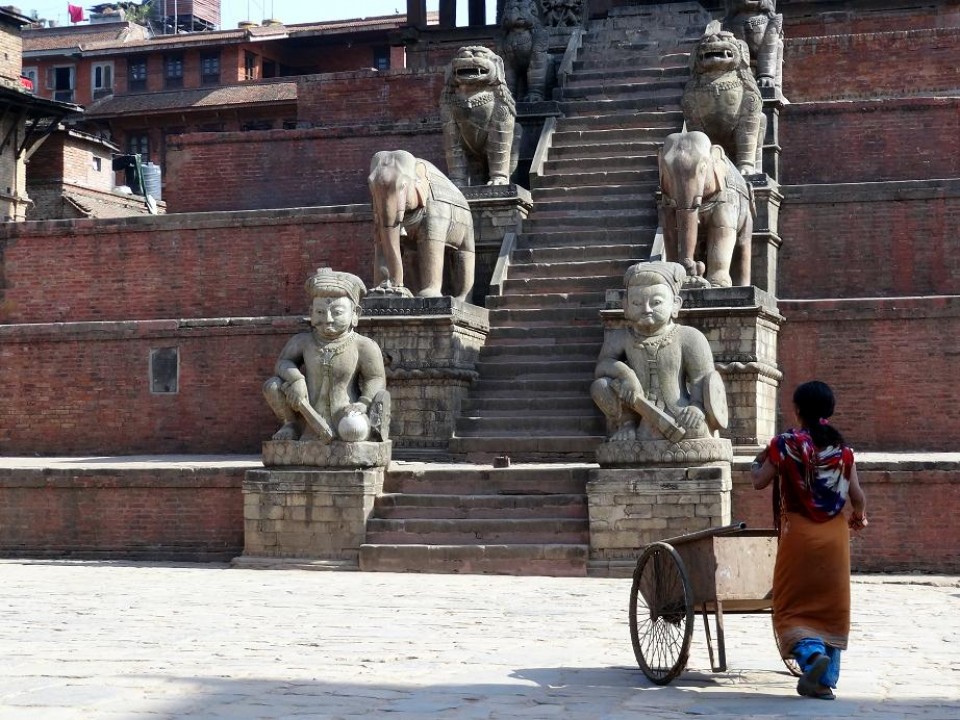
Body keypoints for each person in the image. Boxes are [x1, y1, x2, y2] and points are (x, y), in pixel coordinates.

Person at [751, 380, 867, 700]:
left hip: (798, 536)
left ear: (798, 410)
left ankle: (812, 657)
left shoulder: (785, 444)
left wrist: (755, 463)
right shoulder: (843, 452)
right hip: (835, 539)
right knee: (831, 608)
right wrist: (859, 517)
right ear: (828, 411)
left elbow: (760, 482)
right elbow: (857, 497)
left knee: (791, 606)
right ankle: (824, 682)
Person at [591, 261, 726, 442]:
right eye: (637, 303)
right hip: (640, 411)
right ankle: (626, 424)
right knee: (600, 386)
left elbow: (702, 379)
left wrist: (697, 407)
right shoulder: (620, 337)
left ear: (675, 304)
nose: (646, 309)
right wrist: (626, 375)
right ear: (626, 306)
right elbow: (603, 365)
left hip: (679, 412)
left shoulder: (689, 337)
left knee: (696, 432)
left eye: (656, 302)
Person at [263, 267, 389, 444]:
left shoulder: (364, 345)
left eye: (337, 312)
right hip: (306, 412)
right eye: (320, 312)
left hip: (346, 414)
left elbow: (375, 378)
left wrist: (363, 403)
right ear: (311, 313)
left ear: (355, 314)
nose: (328, 319)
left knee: (354, 429)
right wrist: (296, 380)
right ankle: (290, 424)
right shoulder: (303, 341)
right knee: (273, 385)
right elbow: (283, 362)